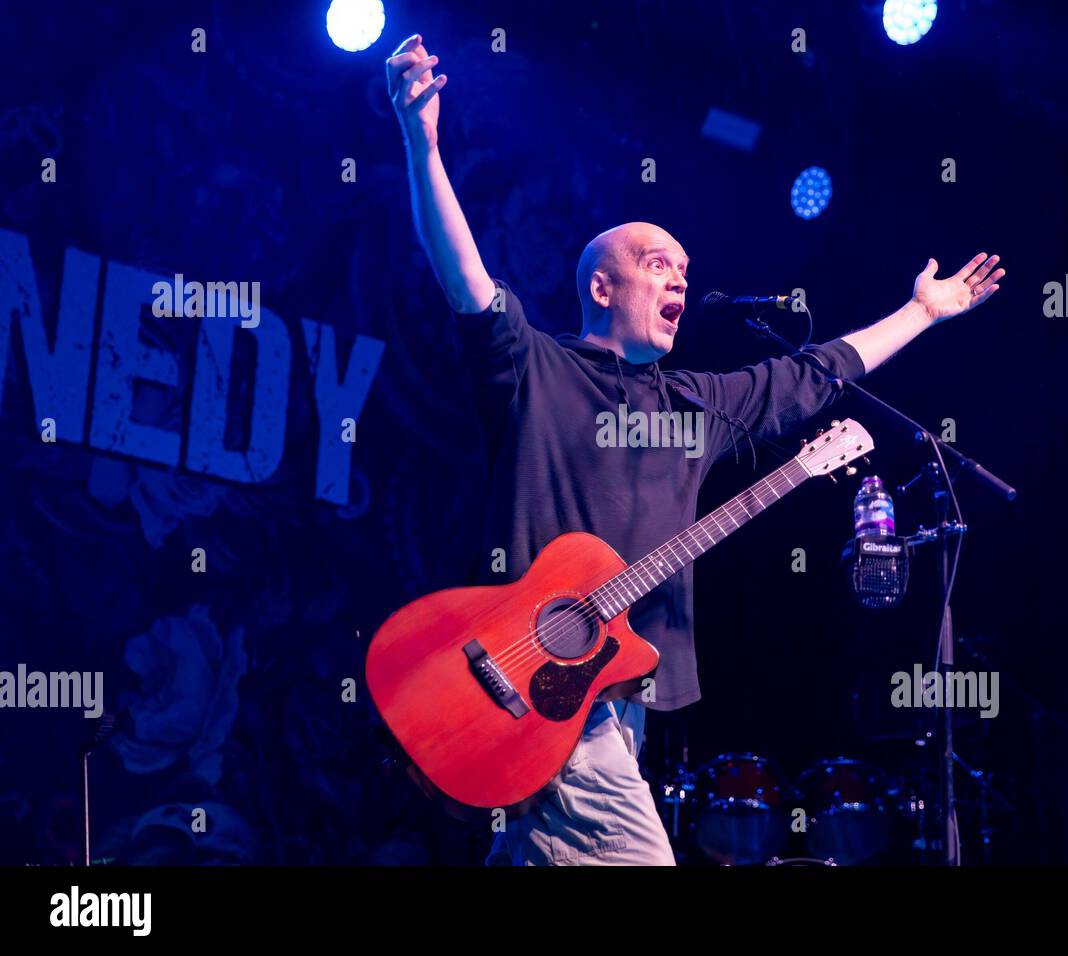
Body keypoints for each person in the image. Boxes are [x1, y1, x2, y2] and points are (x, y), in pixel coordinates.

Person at [386, 33, 1005, 866]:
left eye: (685, 269)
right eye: (656, 265)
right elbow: (462, 276)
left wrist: (922, 313)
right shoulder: (534, 368)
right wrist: (421, 144)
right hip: (527, 679)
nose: (679, 279)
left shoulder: (697, 404)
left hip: (607, 696)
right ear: (601, 286)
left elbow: (820, 373)